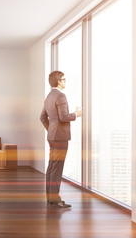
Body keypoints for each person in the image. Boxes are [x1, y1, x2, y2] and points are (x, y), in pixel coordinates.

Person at [40, 71, 82, 208]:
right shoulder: (60, 96)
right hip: (60, 137)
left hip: (52, 136)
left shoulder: (49, 96)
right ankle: (55, 199)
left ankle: (51, 198)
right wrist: (77, 114)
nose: (65, 81)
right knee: (57, 168)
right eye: (64, 79)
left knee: (52, 167)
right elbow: (63, 117)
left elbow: (42, 118)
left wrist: (51, 130)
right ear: (59, 81)